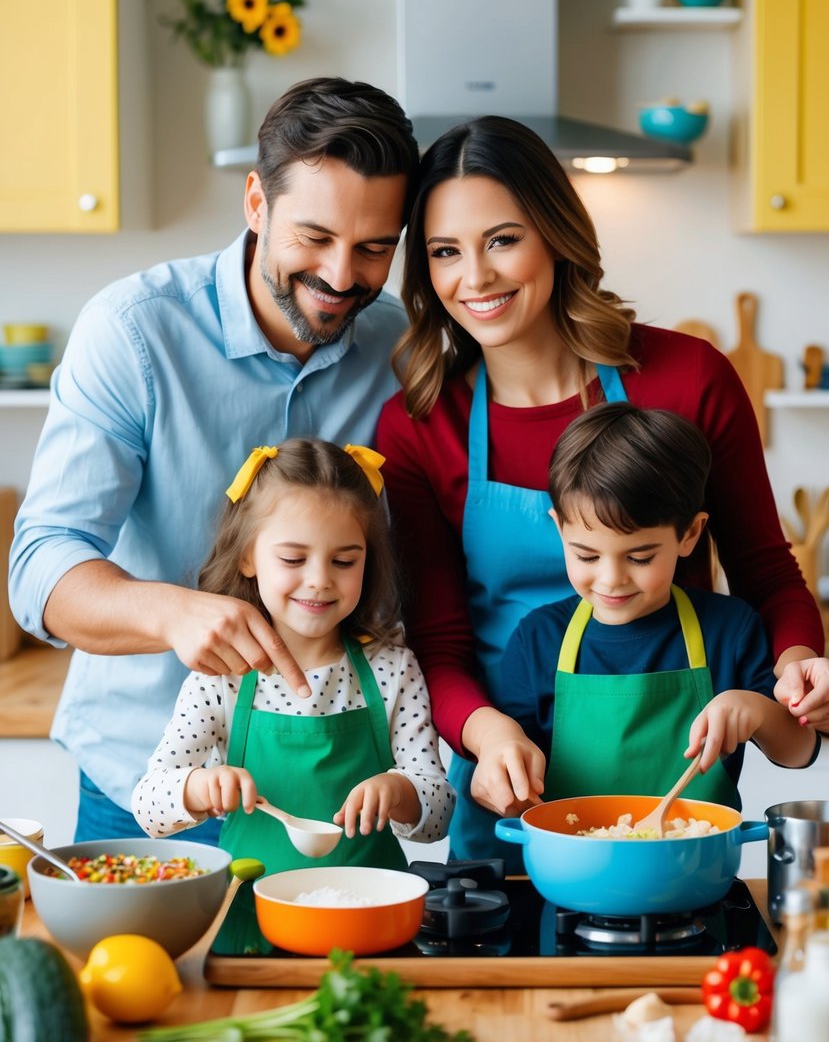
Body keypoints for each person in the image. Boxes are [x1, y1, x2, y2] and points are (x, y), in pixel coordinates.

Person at [376, 114, 829, 863]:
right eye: (444, 252)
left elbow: (763, 569)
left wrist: (793, 671)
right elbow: (440, 640)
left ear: (555, 233)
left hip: (672, 788)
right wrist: (490, 737)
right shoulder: (420, 424)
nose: (475, 277)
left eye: (502, 239)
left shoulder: (688, 378)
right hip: (509, 774)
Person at [9, 77, 421, 842]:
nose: (340, 278)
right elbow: (39, 570)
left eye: (373, 249)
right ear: (257, 204)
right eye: (314, 238)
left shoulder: (399, 349)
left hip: (332, 801)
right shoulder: (134, 334)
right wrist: (172, 612)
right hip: (150, 789)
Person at [132, 438, 454, 872]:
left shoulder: (392, 669)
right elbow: (148, 805)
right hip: (251, 922)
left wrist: (401, 792)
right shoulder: (221, 676)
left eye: (343, 562)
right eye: (293, 558)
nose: (319, 580)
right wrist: (200, 787)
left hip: (370, 915)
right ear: (248, 556)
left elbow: (439, 814)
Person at [494, 403, 819, 818]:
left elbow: (798, 751)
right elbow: (513, 771)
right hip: (570, 871)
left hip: (699, 872)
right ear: (559, 529)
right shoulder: (537, 639)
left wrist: (756, 711)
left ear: (690, 535)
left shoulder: (730, 630)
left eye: (640, 558)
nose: (611, 579)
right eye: (587, 556)